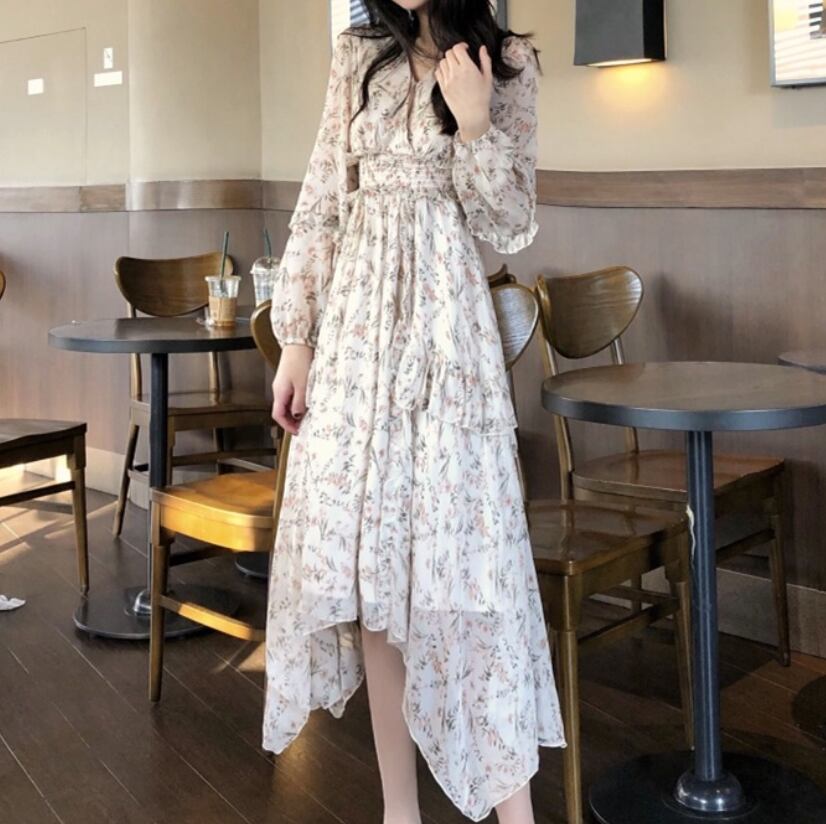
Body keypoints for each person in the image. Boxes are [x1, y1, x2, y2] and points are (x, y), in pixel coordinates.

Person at [265, 1, 565, 821]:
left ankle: (513, 814)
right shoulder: (358, 55)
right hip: (357, 338)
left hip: (444, 345)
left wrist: (475, 123)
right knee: (371, 576)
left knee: (466, 575)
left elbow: (509, 222)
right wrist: (297, 339)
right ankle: (400, 812)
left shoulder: (507, 62)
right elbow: (322, 199)